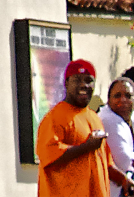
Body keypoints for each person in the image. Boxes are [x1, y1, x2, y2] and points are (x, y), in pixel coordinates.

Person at [39, 61, 119, 197]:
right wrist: (86, 147)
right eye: (77, 80)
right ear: (66, 83)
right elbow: (49, 155)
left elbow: (106, 161)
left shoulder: (94, 117)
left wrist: (123, 180)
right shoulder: (55, 117)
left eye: (89, 81)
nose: (84, 85)